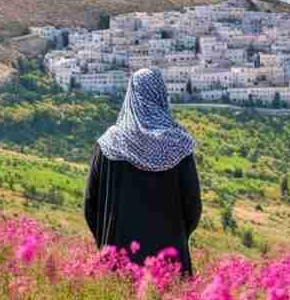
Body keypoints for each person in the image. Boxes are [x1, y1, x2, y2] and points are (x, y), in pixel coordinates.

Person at [84, 68, 202, 276]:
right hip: (170, 266)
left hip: (118, 265)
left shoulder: (109, 144)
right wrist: (179, 237)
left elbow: (90, 205)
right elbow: (193, 207)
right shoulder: (178, 144)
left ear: (130, 96)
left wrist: (105, 243)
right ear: (161, 96)